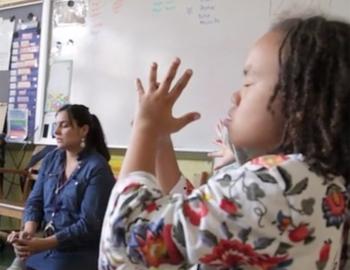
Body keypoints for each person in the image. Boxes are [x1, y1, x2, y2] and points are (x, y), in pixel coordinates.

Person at [99, 16, 350, 269]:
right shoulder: (325, 184)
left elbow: (126, 241)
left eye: (249, 83)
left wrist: (146, 128)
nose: (236, 95)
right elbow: (187, 214)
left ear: (302, 104)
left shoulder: (279, 183)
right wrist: (161, 141)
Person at [7, 104, 115, 270]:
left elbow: (88, 225)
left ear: (83, 130)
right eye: (55, 125)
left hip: (77, 253)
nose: (56, 132)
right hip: (44, 247)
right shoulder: (52, 159)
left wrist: (44, 244)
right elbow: (35, 201)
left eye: (64, 125)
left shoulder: (97, 168)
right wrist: (28, 233)